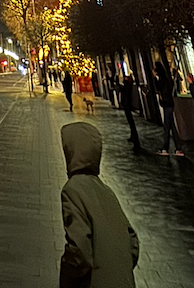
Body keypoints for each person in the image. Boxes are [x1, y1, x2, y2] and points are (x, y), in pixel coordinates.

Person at [59, 121, 139, 288]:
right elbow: (132, 241)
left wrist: (66, 280)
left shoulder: (73, 190)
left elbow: (79, 251)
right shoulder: (106, 191)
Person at [154, 62, 183, 157]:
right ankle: (178, 148)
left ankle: (165, 148)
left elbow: (159, 88)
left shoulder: (162, 80)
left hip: (167, 104)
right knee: (171, 126)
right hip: (169, 104)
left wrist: (155, 79)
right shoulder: (165, 79)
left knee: (167, 126)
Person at [119, 75, 141, 154]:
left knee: (131, 122)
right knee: (131, 122)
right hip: (127, 104)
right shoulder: (128, 85)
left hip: (127, 105)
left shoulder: (126, 85)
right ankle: (133, 137)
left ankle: (135, 138)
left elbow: (124, 92)